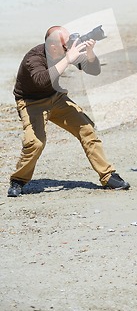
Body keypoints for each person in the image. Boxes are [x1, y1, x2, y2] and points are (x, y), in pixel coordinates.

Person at [7, 26, 130, 197]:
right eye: (66, 44)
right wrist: (68, 58)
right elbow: (42, 81)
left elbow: (94, 70)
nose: (70, 45)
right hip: (31, 102)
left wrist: (89, 53)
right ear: (53, 47)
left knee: (86, 128)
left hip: (55, 98)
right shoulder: (34, 58)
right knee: (35, 143)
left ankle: (108, 175)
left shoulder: (65, 51)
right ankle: (18, 180)